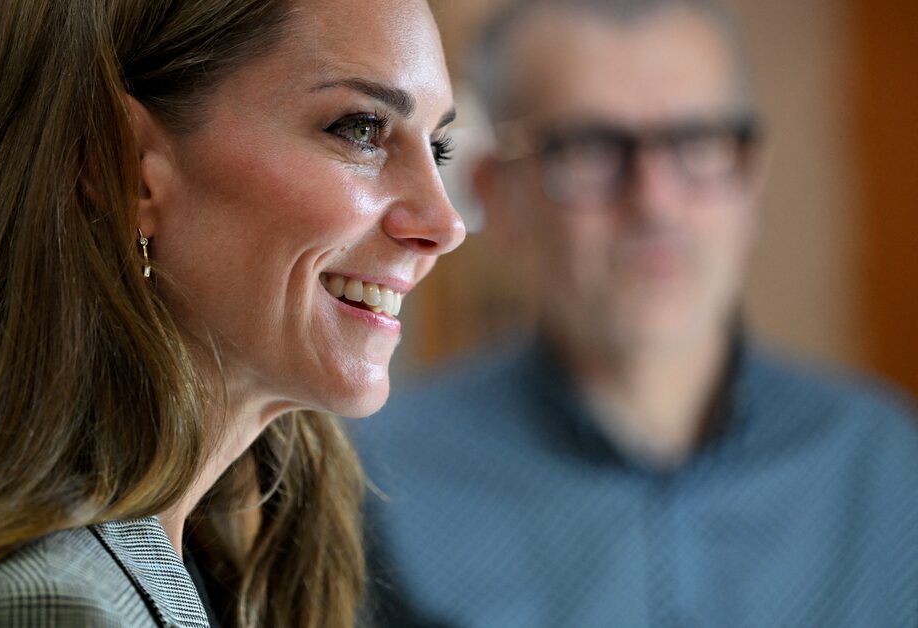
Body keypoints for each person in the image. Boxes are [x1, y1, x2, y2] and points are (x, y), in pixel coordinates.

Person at [0, 0, 464, 626]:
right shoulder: (53, 609)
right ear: (121, 166)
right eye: (362, 128)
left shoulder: (209, 558)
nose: (444, 224)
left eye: (437, 147)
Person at [355, 0, 918, 626]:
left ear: (750, 182)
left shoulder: (886, 468)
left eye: (696, 142)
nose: (655, 202)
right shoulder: (378, 481)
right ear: (498, 195)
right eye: (590, 149)